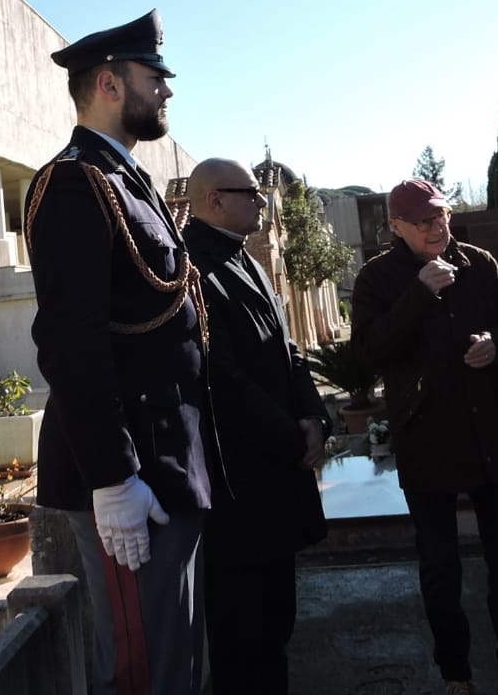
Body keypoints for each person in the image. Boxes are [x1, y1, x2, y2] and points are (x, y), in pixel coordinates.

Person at [23, 10, 210, 695]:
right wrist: (112, 479)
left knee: (178, 667)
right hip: (132, 472)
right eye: (153, 76)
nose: (166, 89)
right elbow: (71, 343)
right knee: (142, 674)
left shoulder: (126, 180)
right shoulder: (76, 183)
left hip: (166, 462)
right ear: (108, 82)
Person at [351, 179, 498, 695]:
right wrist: (420, 292)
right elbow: (370, 350)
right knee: (440, 568)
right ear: (396, 227)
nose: (436, 228)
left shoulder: (479, 262)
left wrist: (497, 344)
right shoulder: (378, 278)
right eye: (422, 222)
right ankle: (455, 674)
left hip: (491, 433)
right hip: (428, 441)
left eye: (441, 217)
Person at [183, 157, 329, 694]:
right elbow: (224, 378)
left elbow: (287, 349)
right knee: (243, 638)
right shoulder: (192, 267)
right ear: (214, 200)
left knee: (276, 625)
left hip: (277, 470)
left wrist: (315, 415)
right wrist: (292, 439)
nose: (262, 202)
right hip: (239, 483)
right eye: (250, 193)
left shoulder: (246, 259)